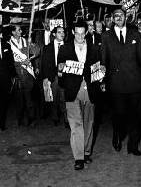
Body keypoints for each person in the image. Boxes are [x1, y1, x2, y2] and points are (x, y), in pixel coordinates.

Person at [101, 8, 141, 156]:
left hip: (134, 82)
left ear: (126, 17)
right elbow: (103, 60)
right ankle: (117, 134)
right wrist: (102, 80)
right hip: (116, 83)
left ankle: (133, 146)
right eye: (115, 16)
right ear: (112, 18)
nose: (118, 18)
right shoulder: (106, 36)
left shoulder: (135, 34)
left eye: (121, 15)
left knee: (136, 115)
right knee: (119, 114)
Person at [57, 21, 102, 170]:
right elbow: (60, 71)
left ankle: (86, 152)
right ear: (72, 32)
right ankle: (79, 158)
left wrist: (102, 70)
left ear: (87, 33)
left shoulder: (95, 49)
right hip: (72, 91)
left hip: (90, 90)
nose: (80, 36)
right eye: (77, 33)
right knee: (76, 125)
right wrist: (61, 68)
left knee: (89, 123)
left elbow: (99, 69)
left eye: (83, 33)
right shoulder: (64, 49)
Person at [9, 25, 36, 126]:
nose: (21, 31)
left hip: (27, 74)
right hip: (17, 75)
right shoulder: (8, 44)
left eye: (20, 30)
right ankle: (19, 119)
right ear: (13, 32)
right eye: (18, 30)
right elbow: (8, 61)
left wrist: (32, 45)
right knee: (19, 100)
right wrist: (18, 64)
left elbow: (36, 52)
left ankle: (32, 119)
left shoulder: (26, 41)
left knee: (29, 99)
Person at [40, 26, 66, 126]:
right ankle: (55, 118)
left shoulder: (68, 46)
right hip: (53, 77)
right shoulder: (47, 48)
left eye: (63, 32)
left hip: (65, 77)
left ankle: (67, 119)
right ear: (54, 34)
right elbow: (44, 64)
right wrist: (46, 78)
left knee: (64, 99)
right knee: (54, 99)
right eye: (59, 32)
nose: (62, 34)